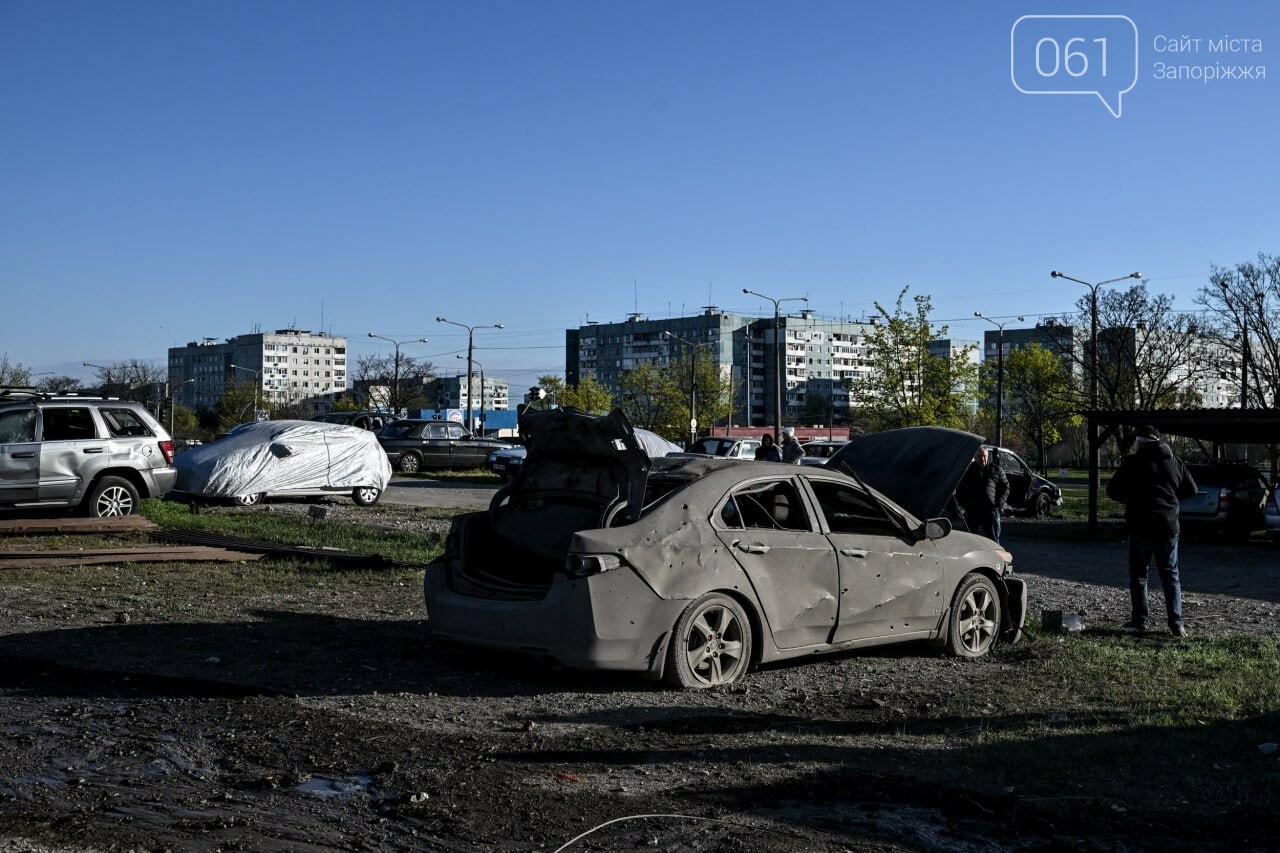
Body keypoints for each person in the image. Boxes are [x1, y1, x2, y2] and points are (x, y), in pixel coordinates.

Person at [1106, 425, 1198, 637]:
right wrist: (1171, 500)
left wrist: (1132, 500)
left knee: (1139, 575)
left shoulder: (1132, 462)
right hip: (1168, 525)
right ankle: (1176, 624)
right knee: (1171, 574)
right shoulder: (1174, 461)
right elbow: (1192, 489)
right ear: (1158, 440)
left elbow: (1112, 490)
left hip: (1140, 525)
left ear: (1139, 442)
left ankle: (1140, 620)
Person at [958, 446, 1009, 543]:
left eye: (984, 456)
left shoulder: (996, 470)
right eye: (979, 456)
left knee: (993, 541)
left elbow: (1006, 487)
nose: (982, 458)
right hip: (973, 511)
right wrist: (965, 504)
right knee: (969, 540)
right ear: (975, 457)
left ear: (987, 456)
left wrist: (998, 504)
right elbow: (960, 489)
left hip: (991, 510)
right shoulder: (968, 471)